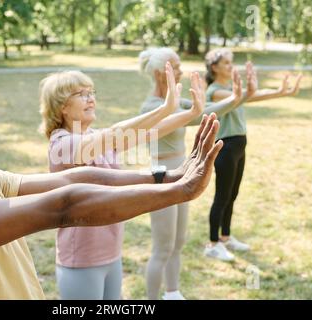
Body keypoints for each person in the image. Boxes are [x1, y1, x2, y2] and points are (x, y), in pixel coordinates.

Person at [0, 74, 222, 300]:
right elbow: (64, 205)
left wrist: (169, 176)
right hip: (82, 260)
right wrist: (180, 191)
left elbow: (76, 179)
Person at [39, 62, 209, 300]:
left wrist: (190, 114)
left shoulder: (93, 137)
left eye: (91, 93)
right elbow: (115, 132)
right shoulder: (63, 144)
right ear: (62, 106)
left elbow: (147, 133)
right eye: (81, 94)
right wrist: (165, 107)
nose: (90, 99)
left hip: (111, 251)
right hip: (82, 258)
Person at [138, 47, 247, 300]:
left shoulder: (175, 102)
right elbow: (190, 116)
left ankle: (173, 292)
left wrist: (236, 97)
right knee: (162, 247)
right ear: (159, 73)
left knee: (178, 242)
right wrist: (195, 110)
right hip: (161, 178)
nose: (180, 71)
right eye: (175, 67)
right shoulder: (151, 107)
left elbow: (207, 108)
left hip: (182, 175)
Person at [203, 48, 302, 261]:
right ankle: (212, 243)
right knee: (222, 197)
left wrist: (281, 91)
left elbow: (250, 96)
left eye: (232, 62)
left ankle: (226, 237)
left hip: (239, 145)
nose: (231, 66)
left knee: (233, 195)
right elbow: (241, 97)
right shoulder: (215, 91)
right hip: (226, 147)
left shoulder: (231, 88)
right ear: (214, 68)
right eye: (227, 63)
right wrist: (249, 88)